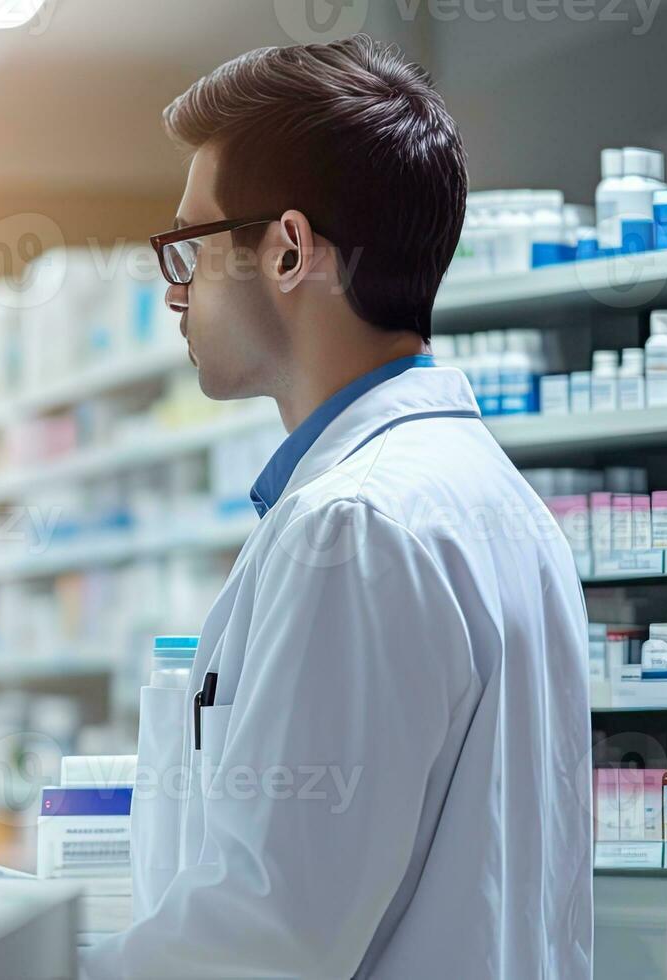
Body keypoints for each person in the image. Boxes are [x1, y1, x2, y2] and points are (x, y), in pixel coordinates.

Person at [80, 35, 591, 979]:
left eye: (187, 248)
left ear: (286, 251)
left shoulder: (356, 526)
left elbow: (267, 935)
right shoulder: (485, 497)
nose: (172, 294)